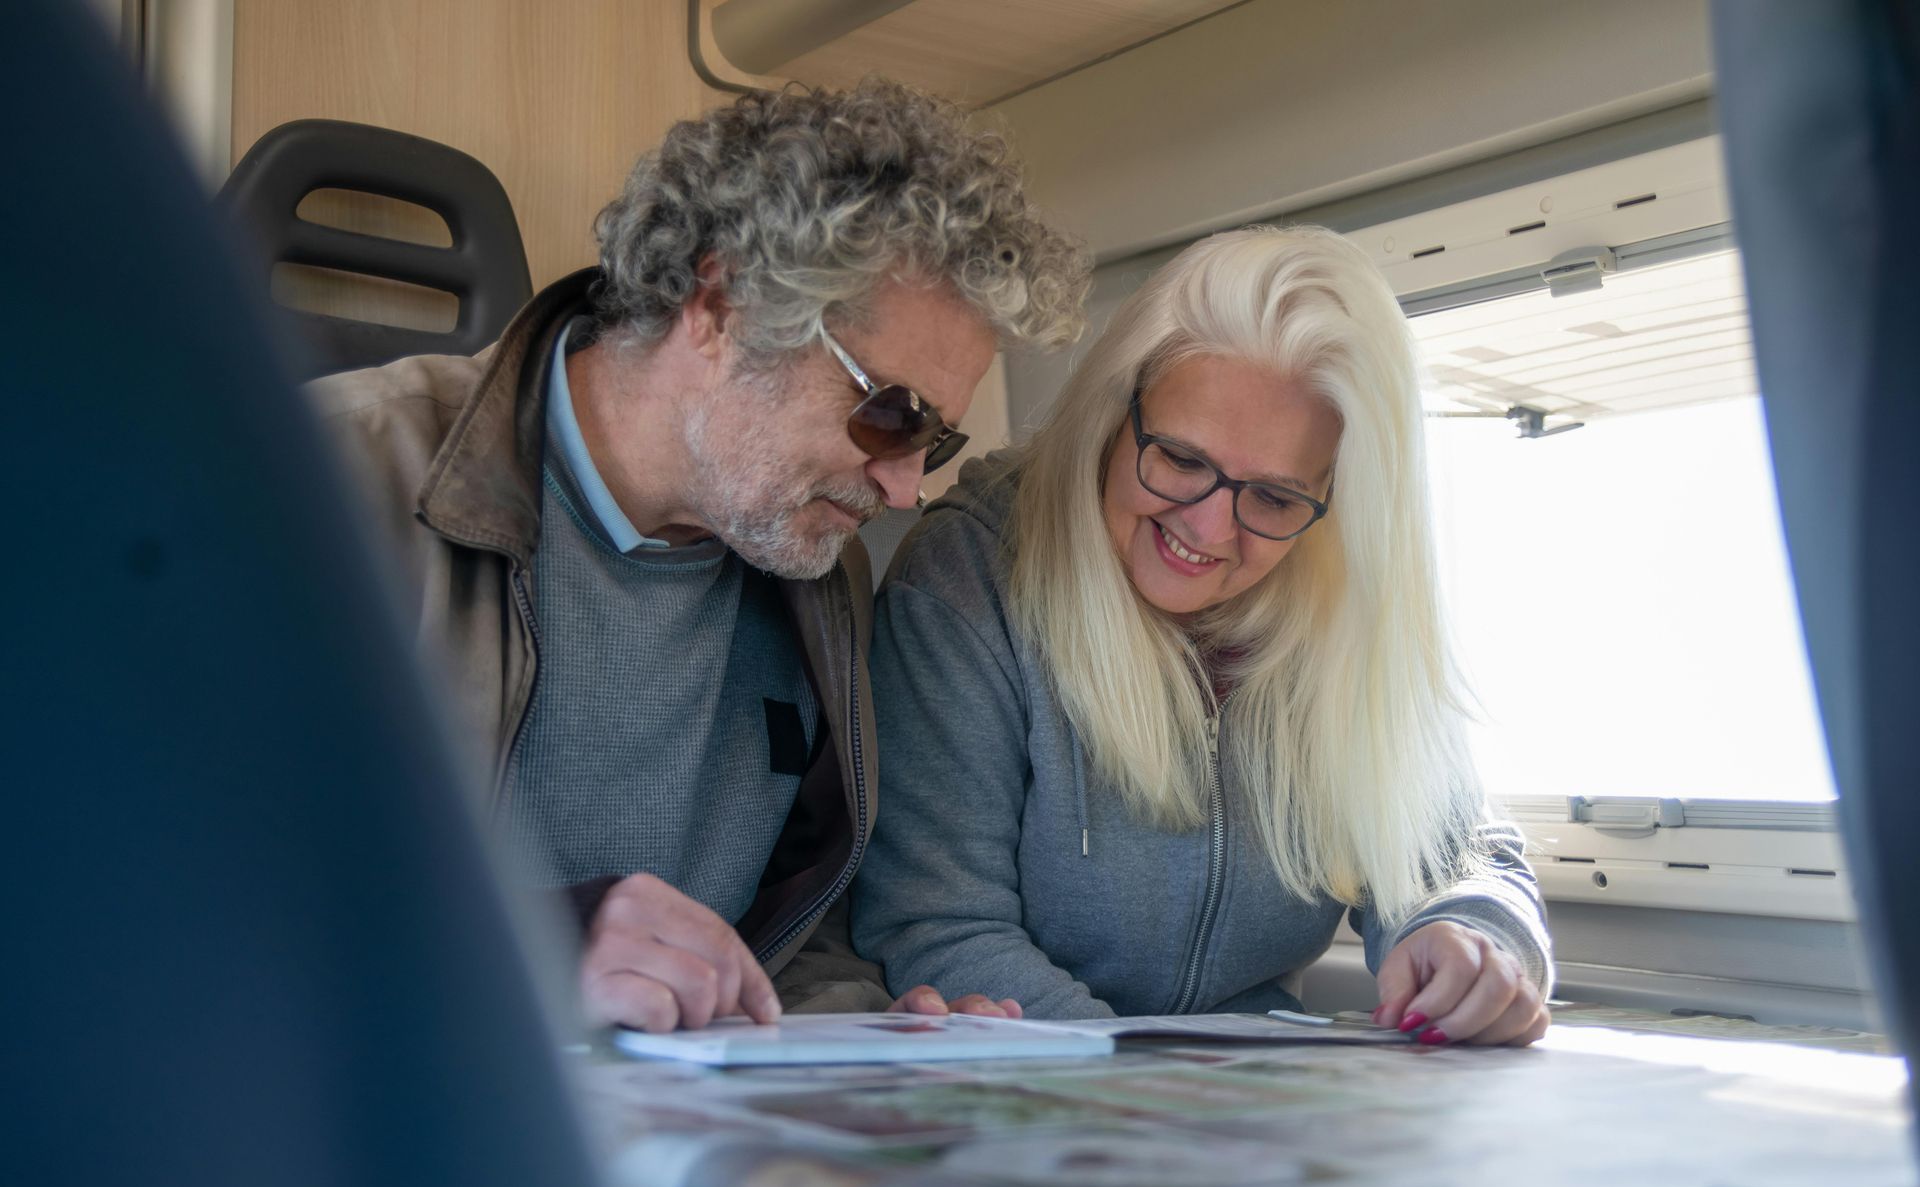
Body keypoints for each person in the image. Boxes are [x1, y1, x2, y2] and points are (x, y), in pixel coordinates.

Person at [308, 80, 1088, 1032]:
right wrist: (534, 946)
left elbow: (772, 949)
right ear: (719, 309)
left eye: (939, 443)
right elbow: (139, 903)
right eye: (892, 415)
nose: (903, 491)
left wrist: (876, 1030)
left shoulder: (813, 570)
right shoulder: (315, 486)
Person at [853, 226, 1553, 1044]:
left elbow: (1460, 853)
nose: (1211, 527)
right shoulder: (969, 572)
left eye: (1276, 498)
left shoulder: (1343, 601)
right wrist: (1152, 1092)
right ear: (1114, 417)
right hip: (1058, 1091)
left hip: (1249, 1102)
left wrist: (1473, 939)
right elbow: (939, 926)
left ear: (1330, 499)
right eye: (1181, 458)